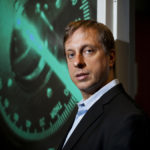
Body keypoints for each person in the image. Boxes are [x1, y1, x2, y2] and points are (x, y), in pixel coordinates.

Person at [57, 20, 150, 150]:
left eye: (88, 51)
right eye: (71, 54)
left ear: (111, 58)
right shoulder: (84, 110)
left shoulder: (128, 120)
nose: (77, 62)